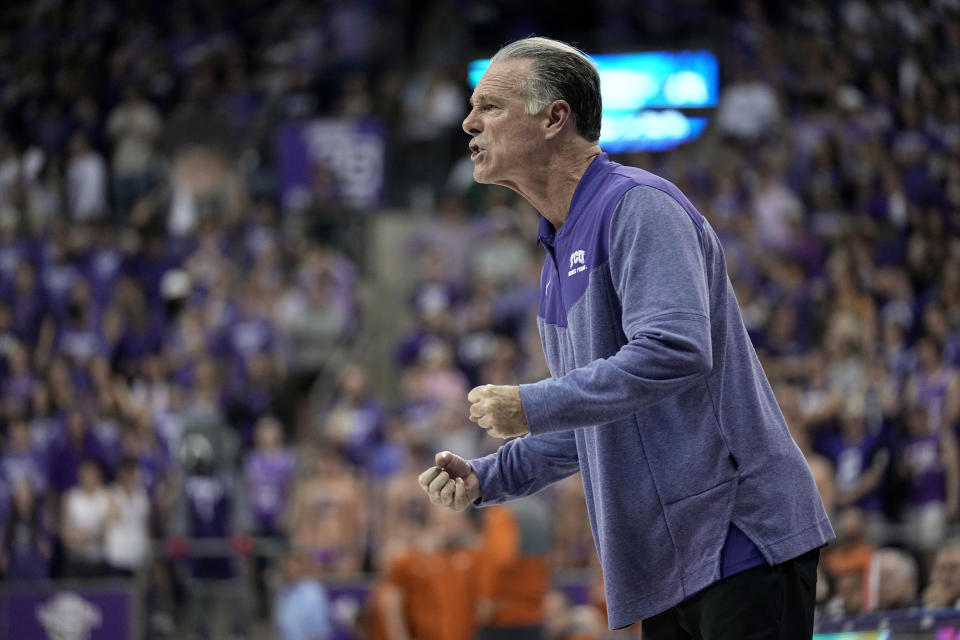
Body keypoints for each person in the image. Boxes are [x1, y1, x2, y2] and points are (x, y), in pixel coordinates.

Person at [418, 36, 834, 639]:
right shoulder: (555, 256)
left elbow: (676, 349)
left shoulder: (638, 206)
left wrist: (533, 403)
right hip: (666, 563)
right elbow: (599, 420)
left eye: (491, 106)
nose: (469, 121)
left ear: (555, 117)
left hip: (737, 536)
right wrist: (489, 476)